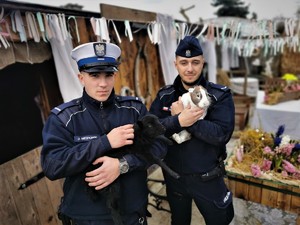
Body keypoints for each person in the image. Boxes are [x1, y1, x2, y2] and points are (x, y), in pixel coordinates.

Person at [41, 41, 167, 225]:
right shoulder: (65, 118)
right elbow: (52, 166)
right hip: (87, 217)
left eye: (108, 75)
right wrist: (104, 143)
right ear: (81, 77)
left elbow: (159, 145)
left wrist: (123, 164)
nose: (103, 84)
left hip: (132, 213)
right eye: (94, 75)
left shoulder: (133, 109)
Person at [149, 35, 235, 225]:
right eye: (184, 62)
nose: (189, 68)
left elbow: (221, 134)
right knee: (179, 221)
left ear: (203, 62)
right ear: (175, 64)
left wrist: (188, 120)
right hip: (175, 178)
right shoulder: (165, 96)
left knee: (220, 220)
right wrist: (177, 120)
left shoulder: (219, 95)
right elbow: (152, 131)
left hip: (208, 178)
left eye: (195, 62)